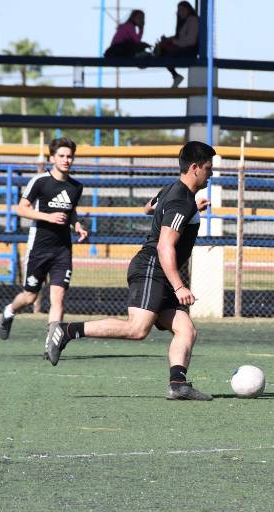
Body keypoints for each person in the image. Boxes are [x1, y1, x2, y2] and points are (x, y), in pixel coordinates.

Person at [44, 141, 215, 402]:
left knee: (186, 329)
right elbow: (165, 246)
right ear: (194, 168)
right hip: (153, 268)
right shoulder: (182, 201)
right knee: (137, 329)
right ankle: (67, 330)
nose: (210, 174)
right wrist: (179, 286)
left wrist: (189, 212)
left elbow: (148, 207)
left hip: (159, 270)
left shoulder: (172, 190)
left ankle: (178, 385)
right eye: (208, 168)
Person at [0, 137, 88, 350]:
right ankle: (9, 311)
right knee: (30, 296)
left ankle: (52, 343)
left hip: (62, 250)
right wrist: (48, 217)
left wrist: (77, 225)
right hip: (39, 247)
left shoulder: (76, 186)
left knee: (59, 298)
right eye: (61, 156)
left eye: (69, 156)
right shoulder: (40, 181)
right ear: (52, 158)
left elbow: (71, 210)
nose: (66, 160)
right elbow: (21, 208)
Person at [153, 1, 199, 88]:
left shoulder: (193, 20)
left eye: (183, 9)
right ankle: (175, 75)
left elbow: (191, 40)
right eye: (179, 10)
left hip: (189, 51)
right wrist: (168, 40)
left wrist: (173, 42)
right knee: (162, 50)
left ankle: (175, 75)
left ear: (189, 10)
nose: (180, 12)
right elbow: (179, 37)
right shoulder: (184, 21)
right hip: (182, 48)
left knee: (166, 54)